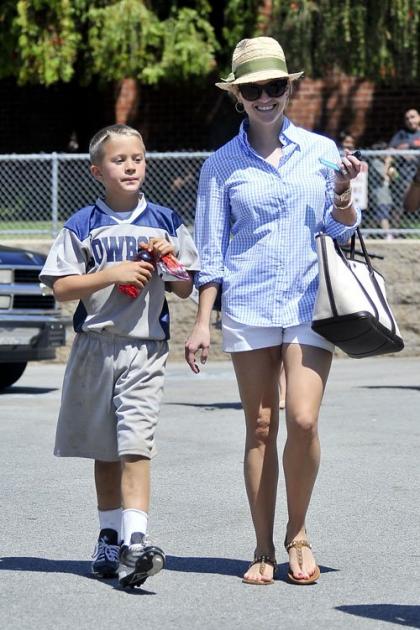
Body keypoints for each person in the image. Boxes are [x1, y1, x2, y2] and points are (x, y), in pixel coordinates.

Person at [185, 36, 363, 586]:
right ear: (238, 96)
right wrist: (200, 321)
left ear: (289, 88)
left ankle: (298, 532)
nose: (266, 97)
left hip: (311, 300)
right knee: (260, 427)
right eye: (253, 89)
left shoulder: (322, 150)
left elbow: (344, 230)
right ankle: (262, 544)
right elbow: (212, 250)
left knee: (303, 419)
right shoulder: (220, 165)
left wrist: (340, 195)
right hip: (249, 301)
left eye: (275, 86)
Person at [40, 124, 200, 589]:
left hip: (145, 348)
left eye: (138, 157)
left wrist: (170, 260)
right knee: (104, 449)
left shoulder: (167, 220)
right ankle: (109, 536)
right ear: (97, 170)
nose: (130, 165)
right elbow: (62, 285)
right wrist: (109, 273)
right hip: (96, 348)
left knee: (135, 443)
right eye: (119, 160)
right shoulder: (82, 224)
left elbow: (185, 286)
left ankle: (136, 542)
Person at [388, 109, 420, 224]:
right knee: (399, 203)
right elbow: (390, 150)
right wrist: (401, 152)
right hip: (403, 175)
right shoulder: (401, 134)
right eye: (407, 118)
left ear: (419, 117)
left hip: (418, 173)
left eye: (413, 117)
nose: (410, 120)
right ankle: (395, 231)